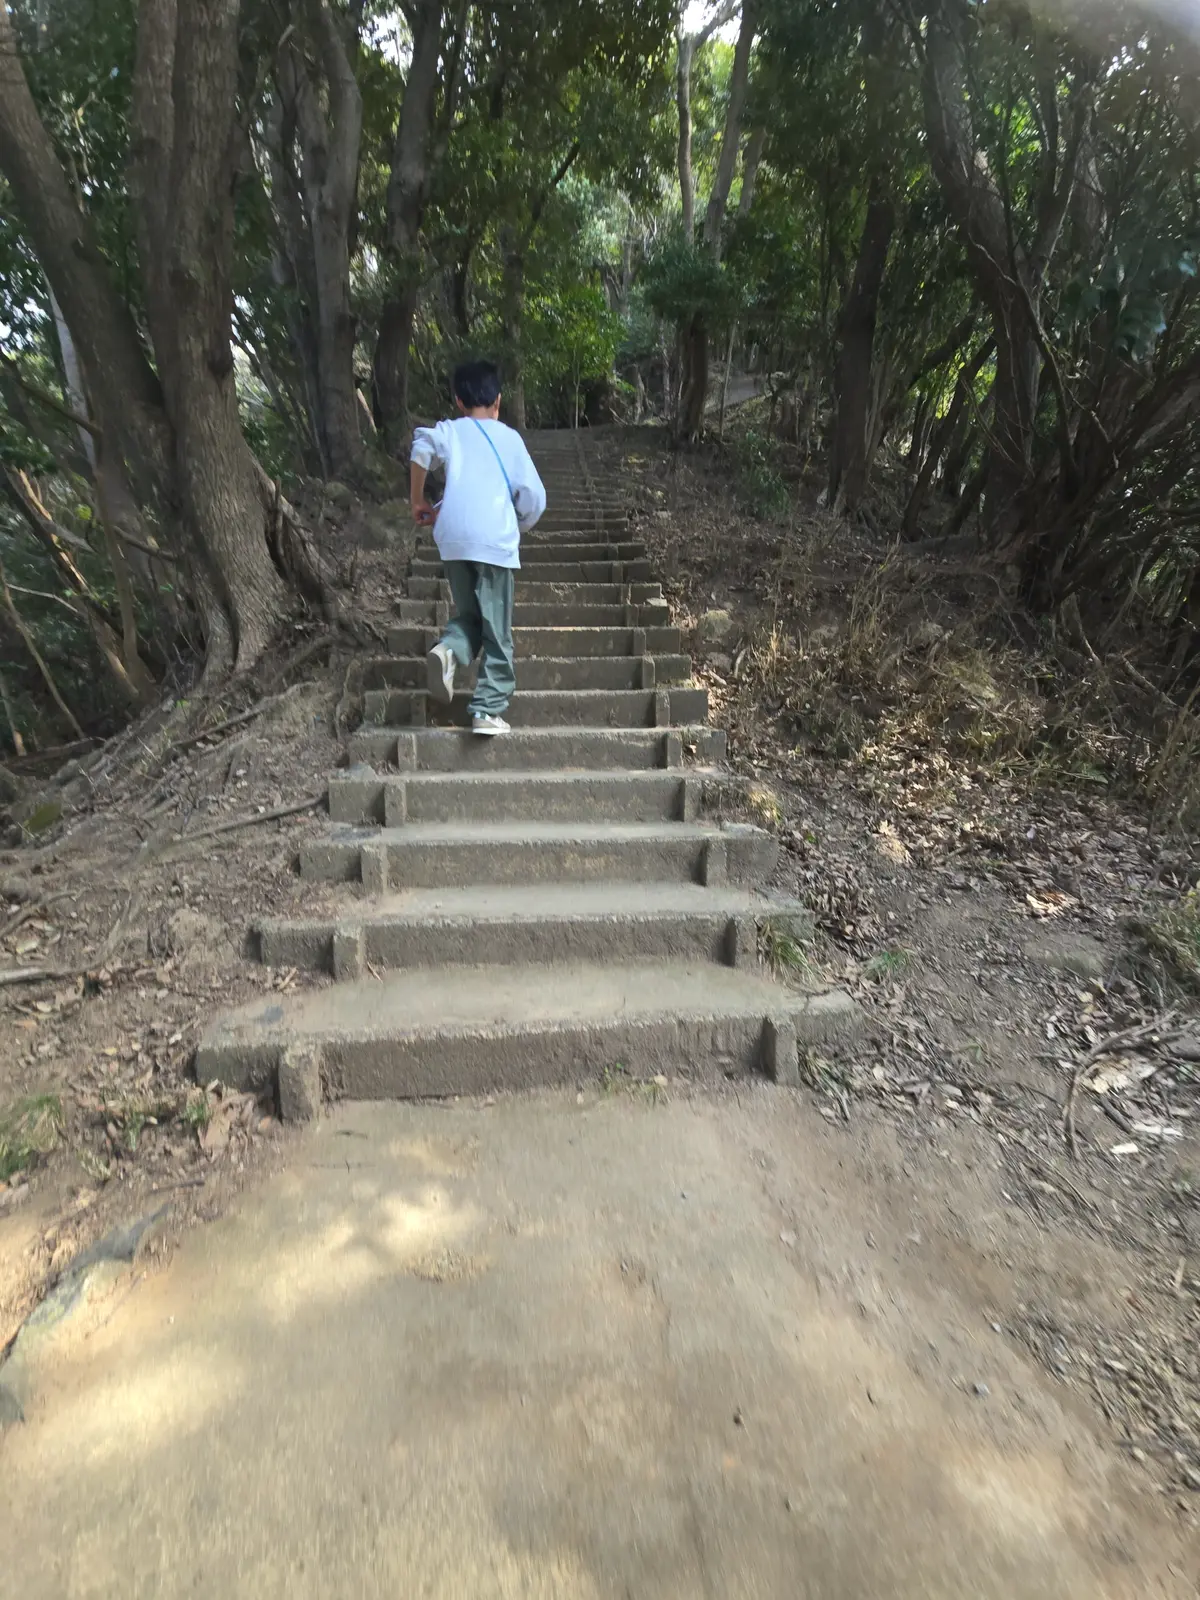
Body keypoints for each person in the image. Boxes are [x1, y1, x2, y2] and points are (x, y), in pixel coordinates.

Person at [409, 360, 547, 735]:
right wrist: (517, 526)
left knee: (470, 616)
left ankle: (449, 651)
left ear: (458, 400)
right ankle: (486, 709)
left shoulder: (450, 432)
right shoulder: (510, 439)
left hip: (453, 539)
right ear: (498, 400)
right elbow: (534, 497)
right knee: (497, 629)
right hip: (493, 541)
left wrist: (418, 500)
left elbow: (420, 447)